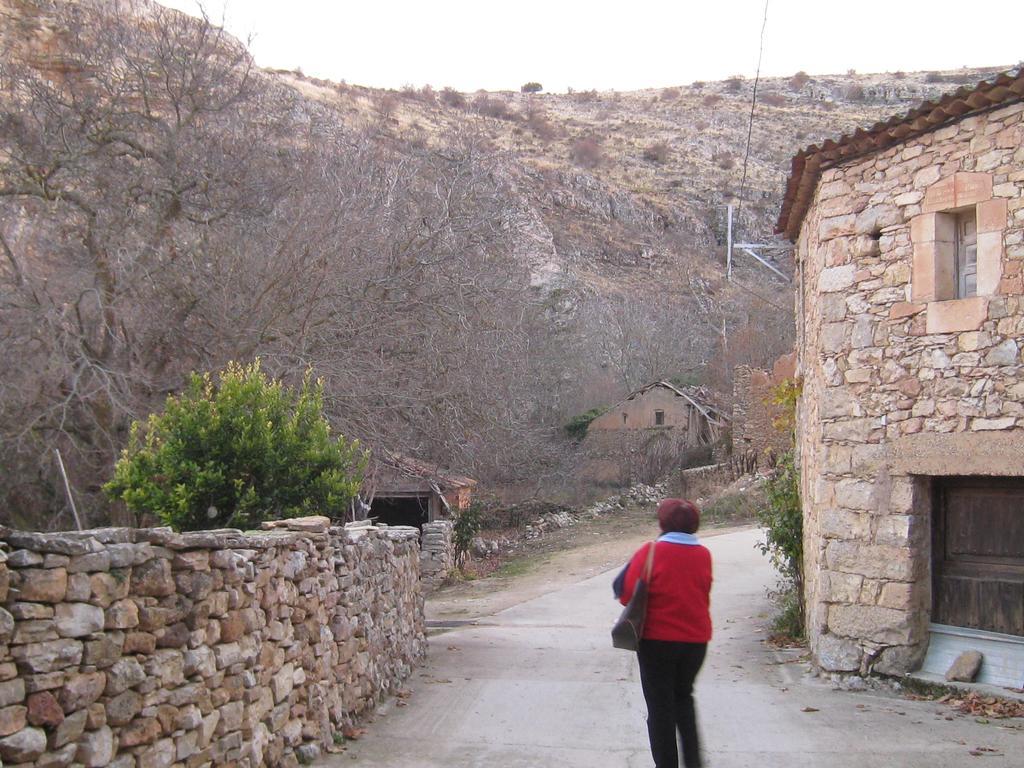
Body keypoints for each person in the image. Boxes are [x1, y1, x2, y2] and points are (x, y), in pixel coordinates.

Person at [616, 498, 712, 768]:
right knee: (684, 700)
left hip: (657, 643)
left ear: (662, 522)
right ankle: (693, 763)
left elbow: (626, 595)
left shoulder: (651, 552)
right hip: (695, 643)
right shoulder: (704, 554)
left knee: (660, 710)